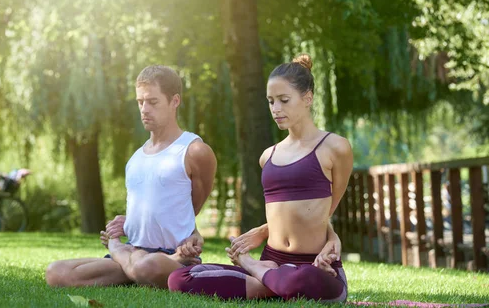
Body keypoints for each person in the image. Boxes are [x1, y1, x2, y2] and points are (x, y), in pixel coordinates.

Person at [168, 54, 353, 302]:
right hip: (272, 260)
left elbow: (326, 210)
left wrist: (332, 237)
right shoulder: (268, 156)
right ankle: (272, 281)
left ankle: (256, 271)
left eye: (284, 100)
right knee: (180, 278)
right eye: (271, 101)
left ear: (307, 98)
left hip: (316, 267)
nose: (276, 109)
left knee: (302, 278)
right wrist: (265, 232)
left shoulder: (335, 147)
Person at [45, 65, 217, 289]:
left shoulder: (194, 151)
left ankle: (123, 254)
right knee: (57, 273)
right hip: (134, 250)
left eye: (153, 102)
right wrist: (131, 222)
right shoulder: (136, 158)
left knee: (150, 266)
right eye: (140, 102)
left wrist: (192, 234)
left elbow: (192, 207)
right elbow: (153, 206)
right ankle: (133, 268)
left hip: (169, 257)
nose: (144, 109)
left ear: (175, 101)